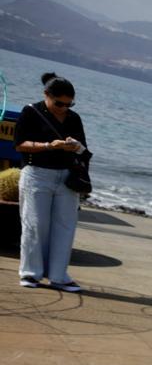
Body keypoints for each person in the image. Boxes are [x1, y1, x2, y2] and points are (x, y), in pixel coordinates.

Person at [15, 73, 88, 293]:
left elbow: (84, 149)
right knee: (35, 225)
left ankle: (59, 276)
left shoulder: (74, 118)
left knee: (65, 226)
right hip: (37, 174)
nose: (63, 108)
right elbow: (20, 145)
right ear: (46, 95)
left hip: (66, 176)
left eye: (69, 104)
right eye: (59, 103)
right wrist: (49, 145)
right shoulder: (31, 112)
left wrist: (74, 145)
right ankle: (30, 273)